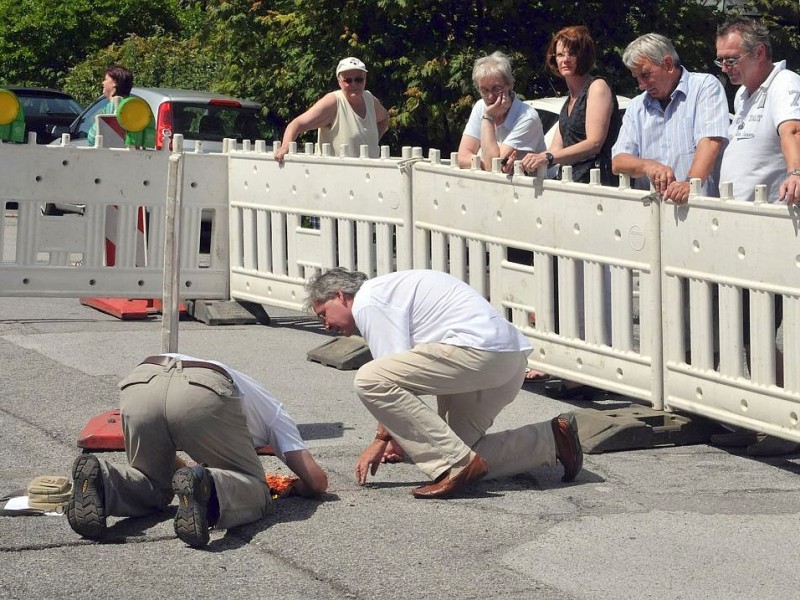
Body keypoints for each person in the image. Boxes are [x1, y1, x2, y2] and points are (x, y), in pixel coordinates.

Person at [305, 267, 583, 499]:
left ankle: (458, 465)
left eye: (323, 314)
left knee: (368, 378)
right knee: (455, 446)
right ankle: (551, 440)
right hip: (507, 360)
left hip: (477, 354)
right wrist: (401, 436)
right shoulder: (390, 290)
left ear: (340, 296)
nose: (326, 325)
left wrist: (381, 440)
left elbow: (385, 378)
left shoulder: (369, 300)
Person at [67, 354, 328, 548]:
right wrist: (297, 487)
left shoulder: (252, 391)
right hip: (204, 388)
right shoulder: (277, 414)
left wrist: (187, 473)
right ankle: (211, 488)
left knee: (153, 481)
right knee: (258, 491)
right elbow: (317, 481)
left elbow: (173, 462)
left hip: (142, 381)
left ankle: (103, 481)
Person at [612, 33, 729, 203]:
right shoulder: (637, 106)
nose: (641, 85)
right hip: (651, 212)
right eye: (637, 78)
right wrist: (648, 165)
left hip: (697, 208)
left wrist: (690, 185)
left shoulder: (704, 87)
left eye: (645, 75)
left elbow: (710, 142)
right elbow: (618, 161)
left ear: (667, 64)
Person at [516, 26, 620, 185]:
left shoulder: (597, 87)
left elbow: (594, 143)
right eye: (560, 54)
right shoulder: (568, 101)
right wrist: (526, 162)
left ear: (584, 56)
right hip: (571, 182)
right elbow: (555, 149)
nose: (565, 59)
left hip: (597, 185)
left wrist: (548, 158)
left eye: (572, 53)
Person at [715, 17, 800, 204]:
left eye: (731, 60)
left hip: (770, 216)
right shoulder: (741, 94)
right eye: (720, 60)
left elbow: (793, 131)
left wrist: (796, 173)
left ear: (759, 52)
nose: (724, 68)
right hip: (740, 213)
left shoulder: (785, 83)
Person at [274, 57, 389, 163]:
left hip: (369, 177)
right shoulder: (334, 102)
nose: (354, 84)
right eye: (348, 80)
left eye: (358, 79)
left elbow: (384, 118)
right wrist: (285, 147)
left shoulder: (369, 99)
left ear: (365, 79)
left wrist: (373, 140)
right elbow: (296, 124)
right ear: (339, 81)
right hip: (334, 177)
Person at [457, 51, 546, 171]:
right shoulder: (480, 106)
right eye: (484, 90)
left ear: (509, 85)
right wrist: (485, 163)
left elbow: (493, 165)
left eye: (496, 89)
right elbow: (462, 157)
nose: (490, 97)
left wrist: (488, 117)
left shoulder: (527, 117)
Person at [86, 65, 133, 147]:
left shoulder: (114, 106)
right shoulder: (133, 107)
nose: (103, 83)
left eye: (106, 79)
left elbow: (93, 138)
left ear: (115, 83)